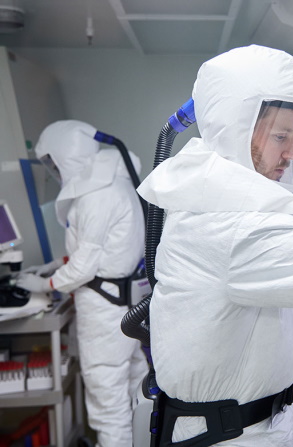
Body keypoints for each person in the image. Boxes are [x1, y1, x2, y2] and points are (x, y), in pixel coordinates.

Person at [136, 44, 293, 446]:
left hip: (262, 421)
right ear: (236, 131)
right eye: (281, 136)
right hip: (234, 436)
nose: (292, 152)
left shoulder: (241, 206)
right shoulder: (230, 225)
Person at [17, 120, 148, 447]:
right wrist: (54, 266)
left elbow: (84, 268)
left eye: (52, 162)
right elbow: (107, 253)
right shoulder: (115, 186)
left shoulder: (95, 197)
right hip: (126, 309)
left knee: (108, 404)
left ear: (66, 156)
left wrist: (43, 284)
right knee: (132, 387)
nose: (53, 170)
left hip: (106, 315)